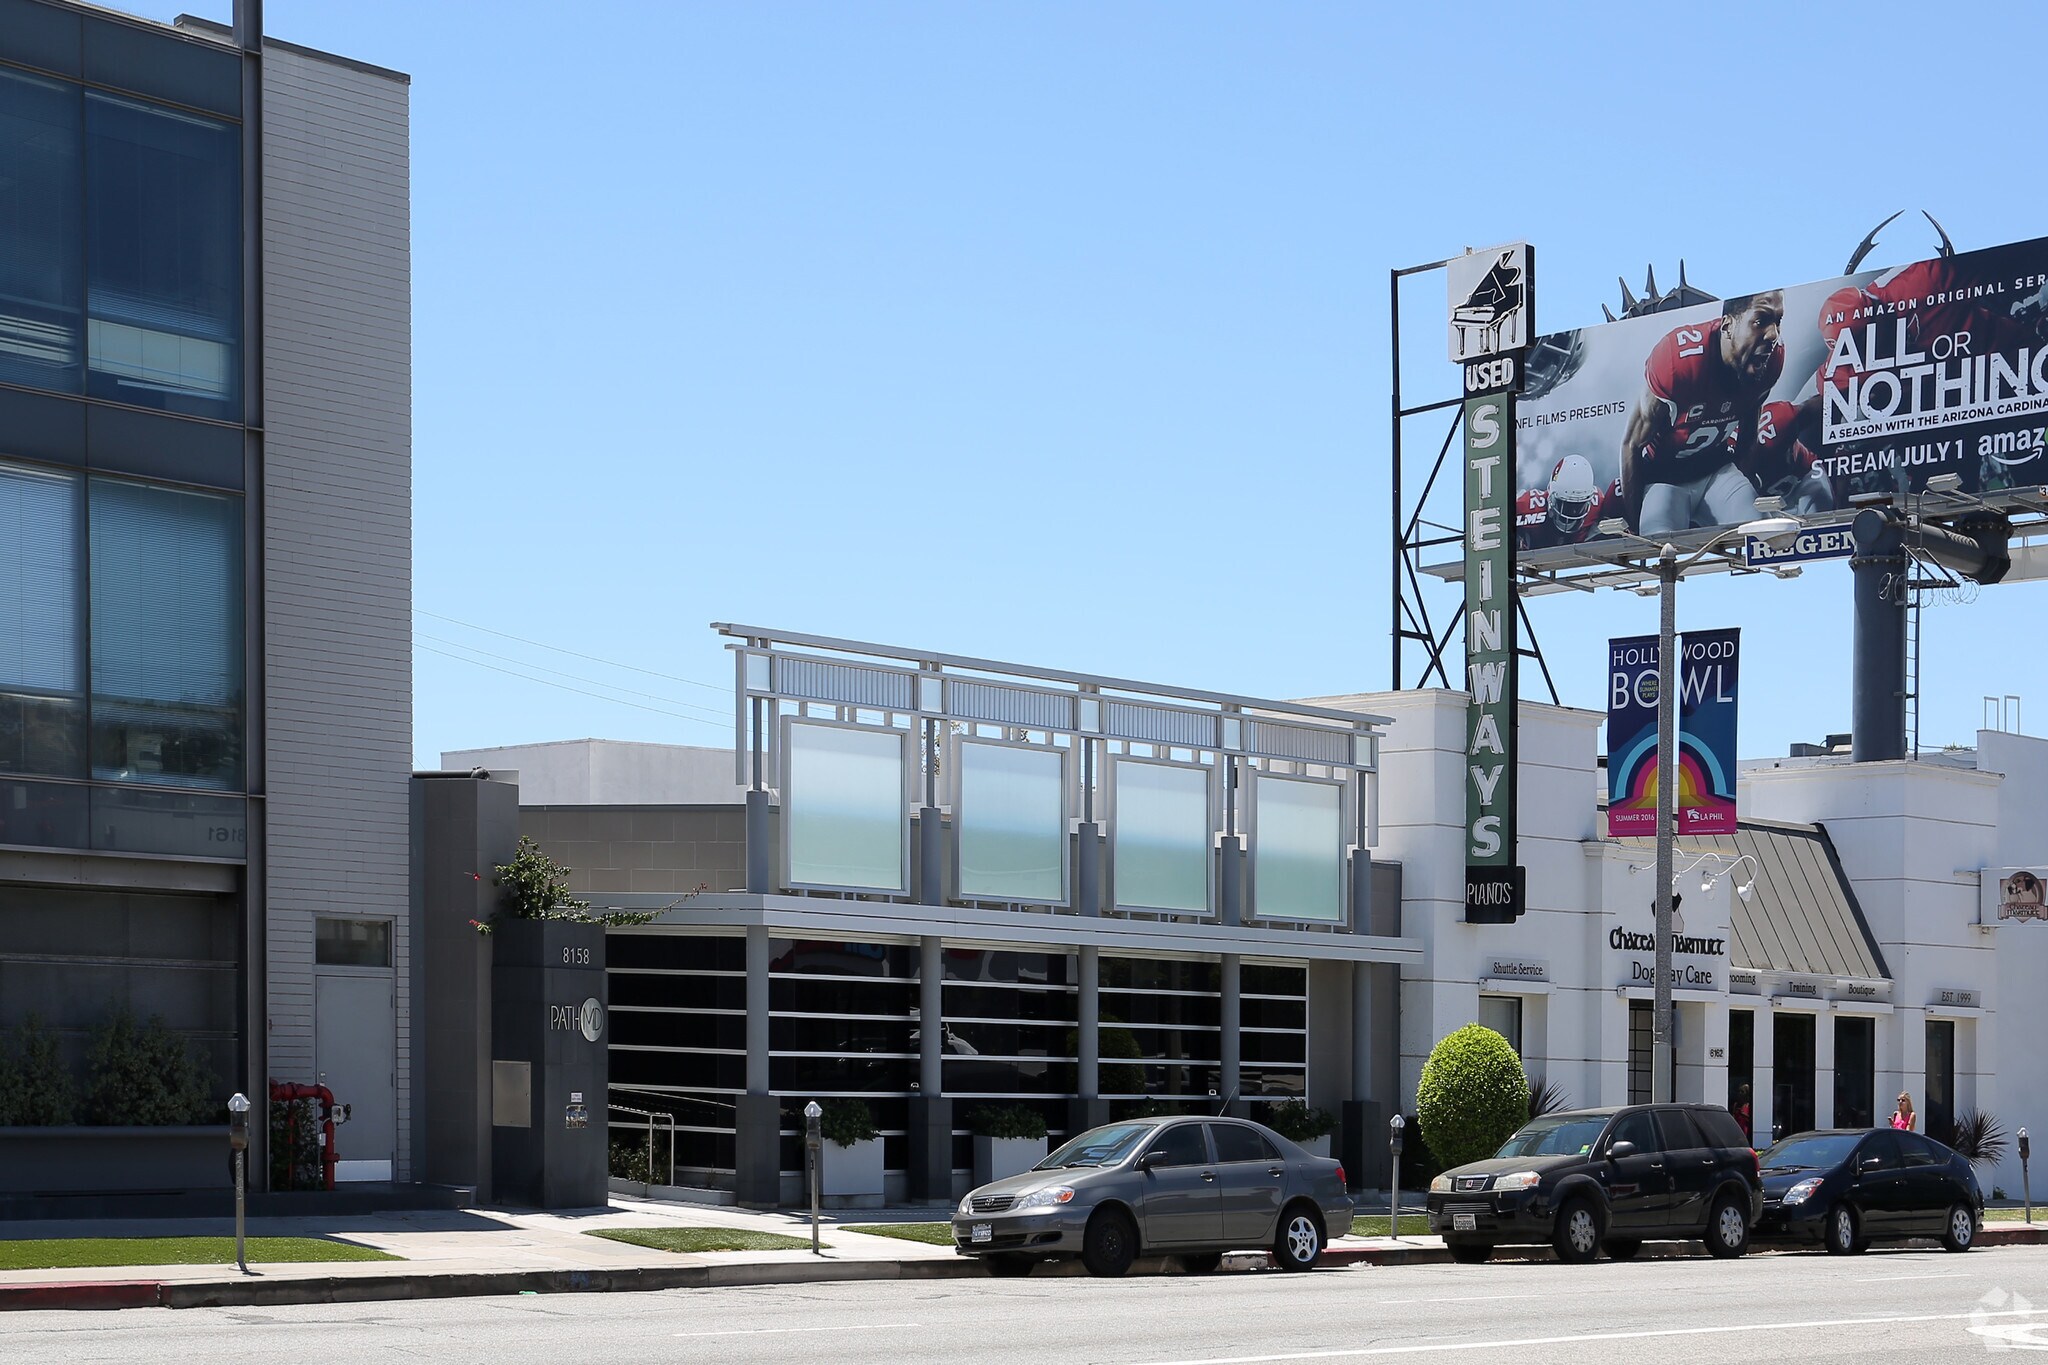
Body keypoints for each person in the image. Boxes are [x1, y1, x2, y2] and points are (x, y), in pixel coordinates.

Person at [1620, 290, 1785, 535]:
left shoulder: (1771, 361)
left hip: (1717, 471)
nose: (1773, 335)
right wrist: (1633, 527)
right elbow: (1631, 445)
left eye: (1778, 321)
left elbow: (1748, 437)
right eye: (1761, 321)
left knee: (1768, 537)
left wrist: (1744, 481)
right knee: (1656, 549)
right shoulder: (1677, 360)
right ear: (1728, 325)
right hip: (1665, 479)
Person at [1514, 454, 1620, 551]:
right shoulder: (1525, 506)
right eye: (1565, 505)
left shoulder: (1598, 505)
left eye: (1578, 506)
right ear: (1550, 496)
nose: (1572, 513)